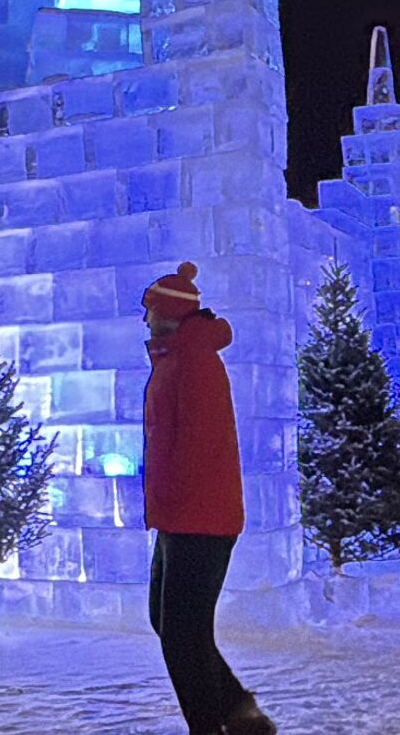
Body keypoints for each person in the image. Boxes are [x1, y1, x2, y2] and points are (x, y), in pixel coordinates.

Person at [141, 262, 275, 735]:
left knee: (182, 635)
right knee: (170, 624)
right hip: (180, 514)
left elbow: (198, 443)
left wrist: (172, 497)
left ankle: (212, 726)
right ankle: (239, 712)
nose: (145, 319)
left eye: (150, 310)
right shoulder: (177, 356)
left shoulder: (193, 360)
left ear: (167, 313)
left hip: (197, 516)